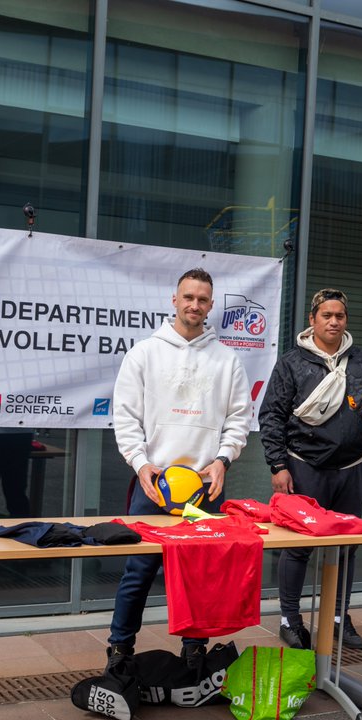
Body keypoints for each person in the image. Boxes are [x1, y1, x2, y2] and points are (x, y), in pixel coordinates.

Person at [105, 268, 252, 672]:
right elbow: (125, 417)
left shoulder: (227, 360)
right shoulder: (144, 353)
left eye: (203, 299)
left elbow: (239, 419)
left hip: (205, 487)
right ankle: (119, 651)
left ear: (211, 305)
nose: (195, 305)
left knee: (199, 577)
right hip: (153, 485)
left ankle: (194, 651)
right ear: (174, 300)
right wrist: (140, 463)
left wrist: (223, 460)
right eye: (188, 297)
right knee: (138, 571)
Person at [259, 288, 362, 650]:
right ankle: (290, 619)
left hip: (353, 469)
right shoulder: (291, 364)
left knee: (346, 547)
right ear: (312, 320)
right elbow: (271, 417)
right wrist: (278, 464)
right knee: (298, 547)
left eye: (339, 316)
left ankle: (338, 618)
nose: (333, 321)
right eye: (326, 315)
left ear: (346, 320)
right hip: (304, 468)